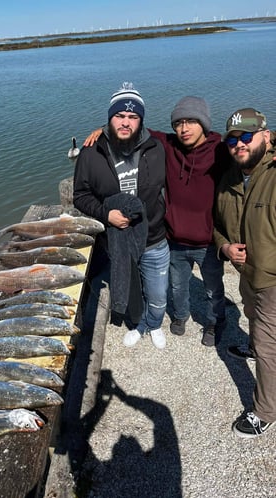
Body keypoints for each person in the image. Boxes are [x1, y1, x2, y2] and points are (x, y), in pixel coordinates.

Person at [84, 96, 227, 347]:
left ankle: (215, 322)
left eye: (191, 122)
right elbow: (130, 126)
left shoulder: (221, 150)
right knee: (178, 287)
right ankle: (181, 317)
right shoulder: (167, 144)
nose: (184, 129)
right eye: (179, 123)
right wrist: (103, 130)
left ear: (204, 124)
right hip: (174, 239)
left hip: (208, 241)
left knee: (213, 289)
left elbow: (248, 148)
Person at [73, 82, 169, 349]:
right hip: (117, 239)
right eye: (119, 115)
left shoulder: (158, 147)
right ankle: (139, 325)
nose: (125, 122)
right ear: (109, 117)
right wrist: (106, 213)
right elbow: (80, 196)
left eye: (133, 116)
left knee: (158, 293)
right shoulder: (91, 153)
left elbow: (195, 141)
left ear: (141, 120)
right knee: (130, 289)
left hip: (153, 237)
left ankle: (155, 323)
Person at [214, 107, 276, 438]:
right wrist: (224, 247)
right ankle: (252, 345)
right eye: (233, 139)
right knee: (250, 315)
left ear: (266, 136)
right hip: (246, 274)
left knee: (269, 347)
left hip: (273, 280)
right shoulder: (229, 179)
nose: (239, 144)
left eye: (246, 137)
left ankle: (265, 411)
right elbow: (218, 225)